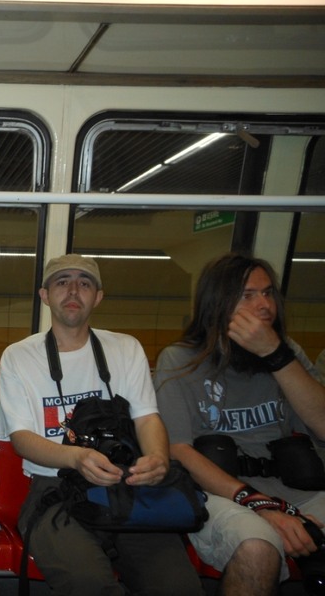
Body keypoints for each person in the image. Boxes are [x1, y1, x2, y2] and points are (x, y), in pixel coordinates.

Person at [0, 254, 203, 596]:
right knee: (89, 584)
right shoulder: (19, 356)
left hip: (126, 484)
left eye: (84, 283)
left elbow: (147, 417)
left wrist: (157, 458)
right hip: (54, 489)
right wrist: (76, 457)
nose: (73, 290)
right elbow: (22, 438)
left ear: (98, 297)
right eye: (62, 282)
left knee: (179, 587)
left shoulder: (126, 348)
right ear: (44, 295)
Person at [154, 252, 325, 596]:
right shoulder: (179, 359)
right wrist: (257, 502)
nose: (264, 305)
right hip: (222, 493)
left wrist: (276, 355)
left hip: (292, 486)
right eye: (248, 295)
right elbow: (178, 450)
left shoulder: (286, 352)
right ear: (218, 304)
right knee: (257, 547)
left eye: (268, 293)